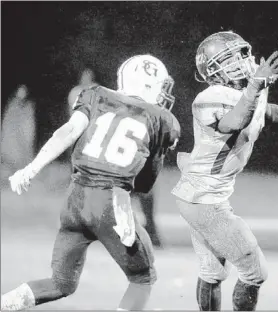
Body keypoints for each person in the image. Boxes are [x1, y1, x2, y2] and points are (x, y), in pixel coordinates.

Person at [171, 31, 278, 311]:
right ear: (214, 70)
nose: (243, 61)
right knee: (255, 271)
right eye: (231, 59)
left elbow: (266, 111)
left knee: (213, 272)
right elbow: (235, 120)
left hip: (202, 196)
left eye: (242, 54)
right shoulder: (210, 97)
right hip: (203, 200)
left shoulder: (246, 93)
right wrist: (255, 86)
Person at [2, 54, 180, 311]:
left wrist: (31, 169)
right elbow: (145, 185)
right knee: (142, 279)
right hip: (111, 202)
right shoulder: (161, 118)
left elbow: (67, 132)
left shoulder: (95, 94)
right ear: (151, 86)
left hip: (75, 198)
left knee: (60, 283)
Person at [1, 85, 36, 176]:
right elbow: (7, 120)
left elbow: (29, 121)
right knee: (13, 154)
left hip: (24, 133)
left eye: (23, 92)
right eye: (20, 91)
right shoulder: (12, 104)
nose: (22, 94)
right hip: (13, 134)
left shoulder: (28, 105)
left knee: (23, 155)